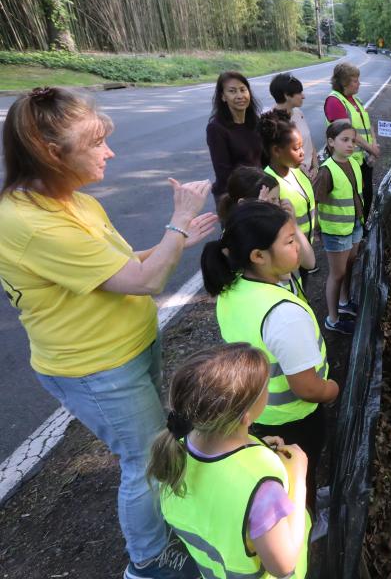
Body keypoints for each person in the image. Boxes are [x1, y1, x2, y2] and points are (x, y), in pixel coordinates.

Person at [0, 87, 217, 579]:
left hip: (130, 348)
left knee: (156, 445)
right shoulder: (31, 224)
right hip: (97, 368)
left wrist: (173, 240)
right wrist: (177, 224)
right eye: (96, 142)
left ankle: (164, 530)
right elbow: (146, 281)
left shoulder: (71, 202)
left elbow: (119, 267)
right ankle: (148, 563)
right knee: (143, 463)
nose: (109, 152)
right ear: (51, 154)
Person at [200, 200, 339, 514]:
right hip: (294, 417)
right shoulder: (283, 315)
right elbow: (307, 388)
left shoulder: (232, 289)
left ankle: (310, 498)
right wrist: (331, 390)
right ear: (258, 256)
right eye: (290, 241)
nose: (297, 245)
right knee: (299, 472)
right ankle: (309, 521)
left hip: (258, 413)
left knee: (284, 474)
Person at [148, 344, 310, 579]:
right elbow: (284, 567)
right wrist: (298, 477)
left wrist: (257, 447)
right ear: (245, 415)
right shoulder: (261, 487)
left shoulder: (175, 451)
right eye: (265, 386)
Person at [217, 166, 315, 302]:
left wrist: (294, 225)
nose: (278, 205)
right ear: (243, 204)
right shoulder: (233, 239)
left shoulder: (278, 228)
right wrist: (259, 219)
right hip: (275, 308)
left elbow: (310, 263)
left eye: (277, 199)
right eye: (271, 200)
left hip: (293, 301)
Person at [316, 119, 364, 335]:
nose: (350, 145)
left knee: (349, 266)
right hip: (335, 232)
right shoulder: (327, 171)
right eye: (344, 140)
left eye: (353, 140)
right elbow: (314, 202)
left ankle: (344, 302)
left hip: (353, 225)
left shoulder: (354, 162)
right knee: (337, 274)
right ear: (331, 142)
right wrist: (317, 231)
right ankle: (332, 319)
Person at [324, 62, 380, 222]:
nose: (359, 83)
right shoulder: (335, 101)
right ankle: (356, 233)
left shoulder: (356, 100)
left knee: (367, 195)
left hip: (363, 160)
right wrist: (371, 149)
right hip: (347, 161)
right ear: (344, 82)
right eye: (355, 80)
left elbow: (368, 124)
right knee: (356, 199)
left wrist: (373, 145)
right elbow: (348, 131)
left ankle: (361, 232)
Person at [259, 111, 319, 248]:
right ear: (276, 151)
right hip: (289, 253)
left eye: (301, 147)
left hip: (304, 247)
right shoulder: (268, 185)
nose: (302, 153)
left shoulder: (297, 170)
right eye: (296, 148)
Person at [206, 71, 263, 201]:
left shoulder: (255, 121)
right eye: (232, 91)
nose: (239, 96)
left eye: (243, 90)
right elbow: (224, 173)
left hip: (259, 189)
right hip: (233, 195)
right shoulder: (216, 128)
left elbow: (263, 160)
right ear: (223, 97)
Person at [268, 73, 318, 179]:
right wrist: (300, 170)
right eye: (299, 93)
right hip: (293, 177)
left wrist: (315, 165)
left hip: (311, 173)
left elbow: (308, 140)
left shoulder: (298, 112)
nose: (303, 96)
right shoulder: (272, 122)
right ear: (286, 95)